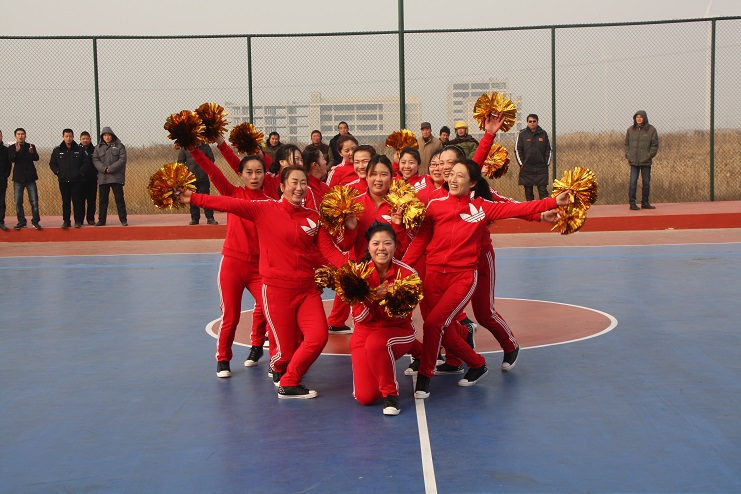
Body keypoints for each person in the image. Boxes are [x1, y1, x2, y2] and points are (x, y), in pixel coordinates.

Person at [179, 166, 354, 399]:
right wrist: (193, 198)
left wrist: (355, 271)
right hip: (276, 291)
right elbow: (228, 204)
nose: (299, 188)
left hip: (307, 291)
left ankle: (289, 380)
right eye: (294, 182)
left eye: (303, 183)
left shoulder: (313, 217)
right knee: (285, 351)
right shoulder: (264, 209)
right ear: (282, 186)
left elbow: (328, 252)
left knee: (318, 338)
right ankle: (279, 368)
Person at [402, 159, 570, 399]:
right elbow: (420, 241)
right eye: (452, 174)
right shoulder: (434, 205)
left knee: (433, 324)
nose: (453, 179)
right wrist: (401, 270)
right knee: (441, 326)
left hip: (462, 277)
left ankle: (425, 377)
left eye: (460, 176)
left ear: (472, 183)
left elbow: (518, 209)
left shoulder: (482, 207)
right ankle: (477, 363)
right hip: (433, 276)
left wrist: (553, 202)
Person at [188, 140, 270, 378]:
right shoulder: (233, 193)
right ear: (241, 174)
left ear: (265, 174)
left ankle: (259, 347)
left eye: (258, 172)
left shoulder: (271, 201)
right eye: (249, 172)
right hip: (233, 265)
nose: (254, 177)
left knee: (269, 309)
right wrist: (194, 149)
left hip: (260, 267)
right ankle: (223, 359)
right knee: (231, 316)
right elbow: (213, 172)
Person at [349, 222, 418, 416]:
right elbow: (359, 317)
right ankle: (421, 351)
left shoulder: (408, 274)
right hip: (364, 332)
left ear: (395, 246)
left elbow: (402, 315)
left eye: (387, 243)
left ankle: (391, 395)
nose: (381, 248)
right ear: (368, 247)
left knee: (377, 343)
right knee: (365, 397)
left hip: (399, 331)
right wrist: (372, 298)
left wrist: (389, 297)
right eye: (376, 243)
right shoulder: (357, 274)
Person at [49, 129, 91, 229]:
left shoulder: (80, 150)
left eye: (70, 136)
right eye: (66, 136)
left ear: (73, 137)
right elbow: (52, 163)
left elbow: (86, 162)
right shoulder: (57, 150)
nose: (68, 138)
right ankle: (66, 221)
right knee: (66, 201)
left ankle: (78, 221)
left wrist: (80, 173)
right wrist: (57, 172)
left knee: (77, 201)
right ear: (63, 137)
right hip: (63, 180)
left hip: (77, 181)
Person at [7, 128, 41, 230]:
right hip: (18, 178)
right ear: (15, 136)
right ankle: (21, 221)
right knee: (18, 202)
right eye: (18, 134)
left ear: (25, 135)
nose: (20, 136)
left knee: (34, 201)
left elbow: (36, 158)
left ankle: (35, 221)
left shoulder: (30, 146)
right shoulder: (12, 147)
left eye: (22, 134)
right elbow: (11, 159)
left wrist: (32, 153)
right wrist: (16, 151)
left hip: (30, 177)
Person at [93, 127, 128, 226]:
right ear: (102, 137)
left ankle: (123, 219)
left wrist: (111, 169)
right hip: (103, 178)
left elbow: (122, 159)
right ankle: (102, 220)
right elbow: (95, 160)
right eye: (105, 135)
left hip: (116, 177)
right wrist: (104, 169)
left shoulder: (119, 146)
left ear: (112, 136)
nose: (107, 137)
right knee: (103, 200)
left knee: (119, 199)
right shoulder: (98, 148)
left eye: (109, 135)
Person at [625, 110, 659, 210]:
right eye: (637, 117)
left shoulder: (651, 130)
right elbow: (626, 144)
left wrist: (649, 155)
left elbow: (654, 145)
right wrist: (628, 155)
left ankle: (645, 202)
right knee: (632, 183)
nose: (639, 119)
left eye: (641, 117)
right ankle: (632, 203)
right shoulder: (630, 130)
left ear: (644, 118)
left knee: (646, 183)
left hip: (646, 161)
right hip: (634, 161)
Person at [177, 143, 218, 225]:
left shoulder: (205, 146)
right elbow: (180, 161)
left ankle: (210, 218)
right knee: (192, 198)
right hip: (190, 178)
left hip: (203, 177)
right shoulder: (185, 147)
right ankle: (194, 219)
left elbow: (211, 159)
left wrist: (205, 167)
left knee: (206, 197)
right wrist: (187, 169)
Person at [515, 114, 551, 201]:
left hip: (541, 168)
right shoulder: (522, 134)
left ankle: (545, 208)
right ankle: (531, 209)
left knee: (543, 192)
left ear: (537, 122)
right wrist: (522, 164)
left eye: (534, 121)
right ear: (527, 122)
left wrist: (546, 163)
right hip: (527, 168)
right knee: (528, 193)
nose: (532, 123)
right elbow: (517, 149)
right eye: (530, 121)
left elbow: (549, 150)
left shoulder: (543, 134)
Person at [302, 145, 330, 211]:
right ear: (315, 165)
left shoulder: (325, 187)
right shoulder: (304, 188)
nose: (325, 162)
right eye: (323, 158)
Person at [79, 131, 97, 225]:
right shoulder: (77, 150)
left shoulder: (95, 150)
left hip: (92, 179)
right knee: (80, 201)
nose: (85, 140)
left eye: (87, 138)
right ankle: (80, 219)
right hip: (80, 180)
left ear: (90, 139)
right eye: (83, 139)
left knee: (91, 200)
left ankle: (90, 218)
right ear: (80, 140)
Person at [0, 130, 10, 231]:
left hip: (2, 179)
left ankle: (1, 221)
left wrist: (5, 175)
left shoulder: (5, 150)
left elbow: (8, 164)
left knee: (1, 201)